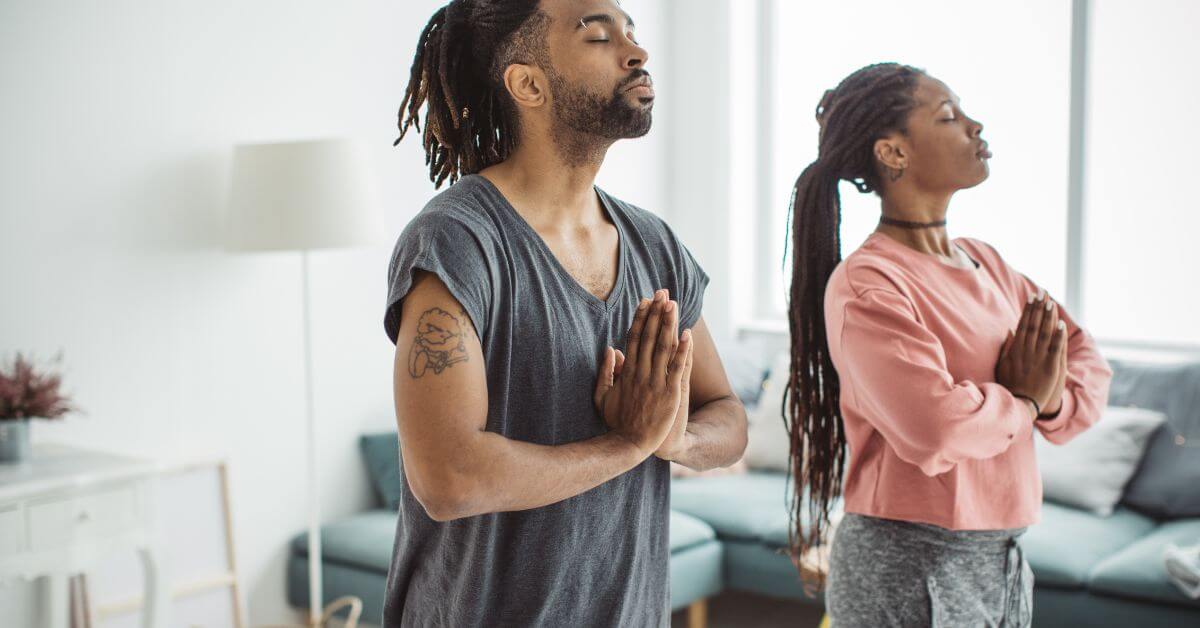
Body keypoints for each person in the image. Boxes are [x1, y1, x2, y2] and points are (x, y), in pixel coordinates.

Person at [381, 0, 748, 625]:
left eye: (632, 32)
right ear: (528, 83)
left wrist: (672, 437)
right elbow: (448, 478)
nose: (636, 53)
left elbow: (728, 418)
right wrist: (628, 444)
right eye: (599, 36)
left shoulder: (655, 244)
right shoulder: (457, 240)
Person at [782, 63, 1113, 626]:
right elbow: (934, 427)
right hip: (909, 563)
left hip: (1004, 558)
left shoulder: (987, 262)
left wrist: (1049, 401)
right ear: (893, 153)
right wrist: (1025, 402)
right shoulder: (869, 283)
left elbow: (1087, 365)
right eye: (949, 117)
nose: (975, 126)